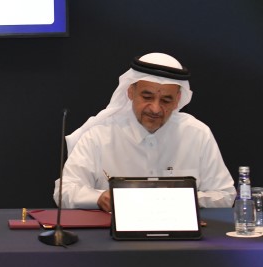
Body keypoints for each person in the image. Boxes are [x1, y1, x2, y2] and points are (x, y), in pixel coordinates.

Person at [55, 52, 235, 210]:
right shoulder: (99, 135)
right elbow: (64, 191)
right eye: (147, 97)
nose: (155, 109)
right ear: (130, 92)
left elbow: (225, 194)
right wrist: (99, 197)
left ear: (178, 100)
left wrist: (180, 199)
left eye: (166, 100)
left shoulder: (197, 134)